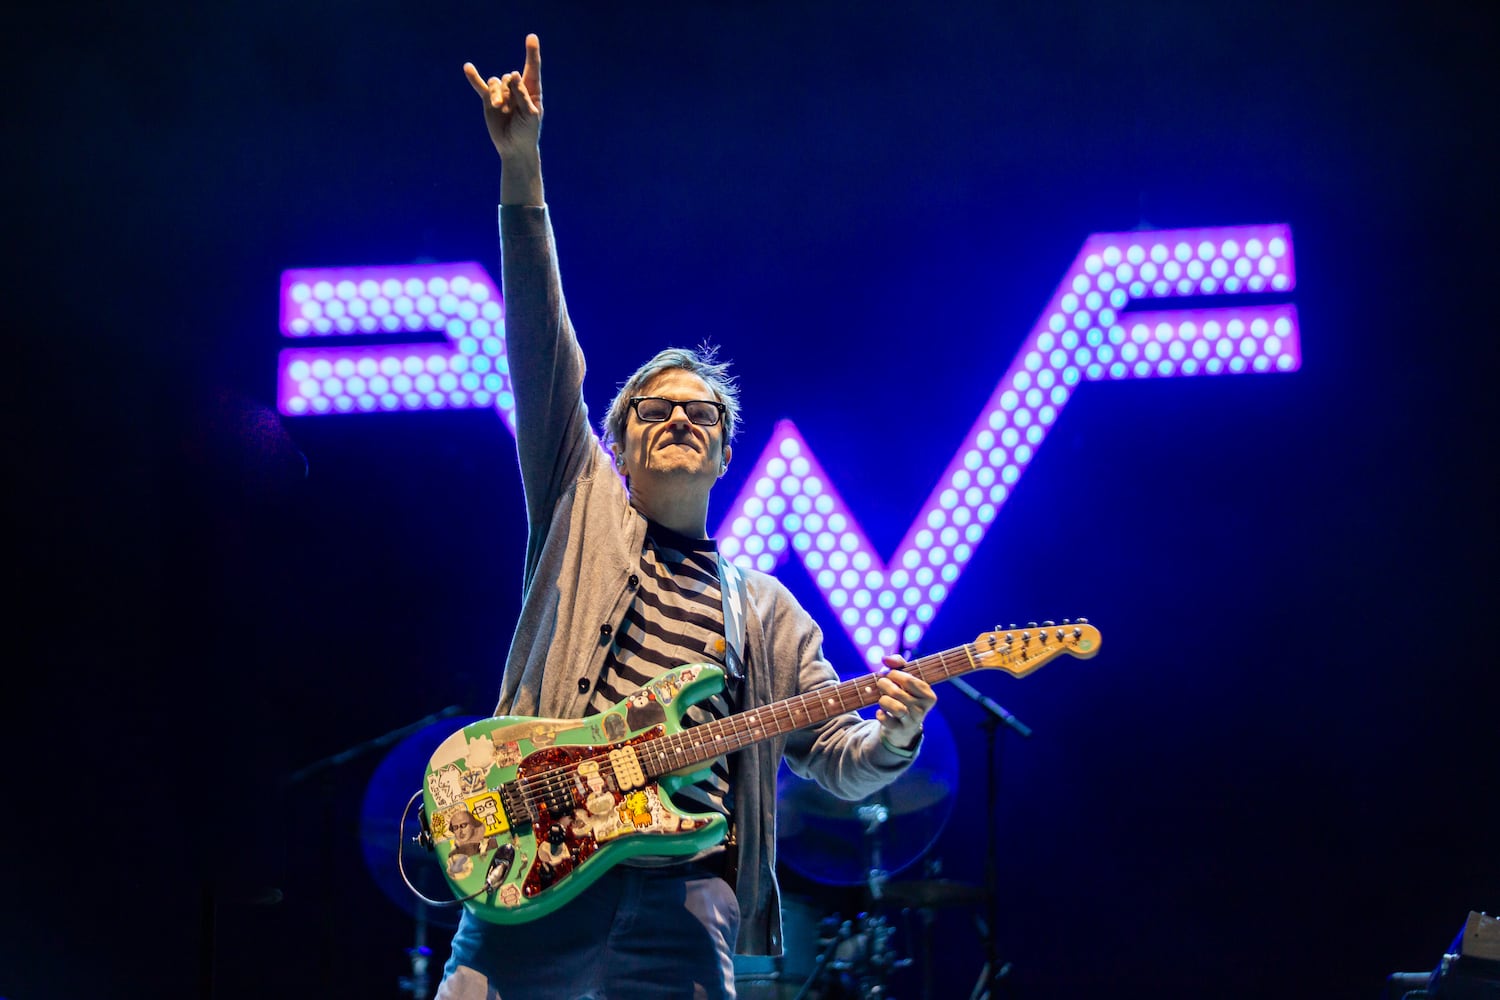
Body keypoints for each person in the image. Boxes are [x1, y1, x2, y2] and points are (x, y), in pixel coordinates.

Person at [436, 34, 937, 1000]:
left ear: (722, 451)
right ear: (617, 444)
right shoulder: (579, 505)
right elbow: (542, 342)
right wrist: (522, 166)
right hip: (532, 877)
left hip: (688, 905)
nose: (676, 418)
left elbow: (838, 762)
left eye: (699, 413)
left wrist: (896, 736)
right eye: (652, 410)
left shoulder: (769, 616)